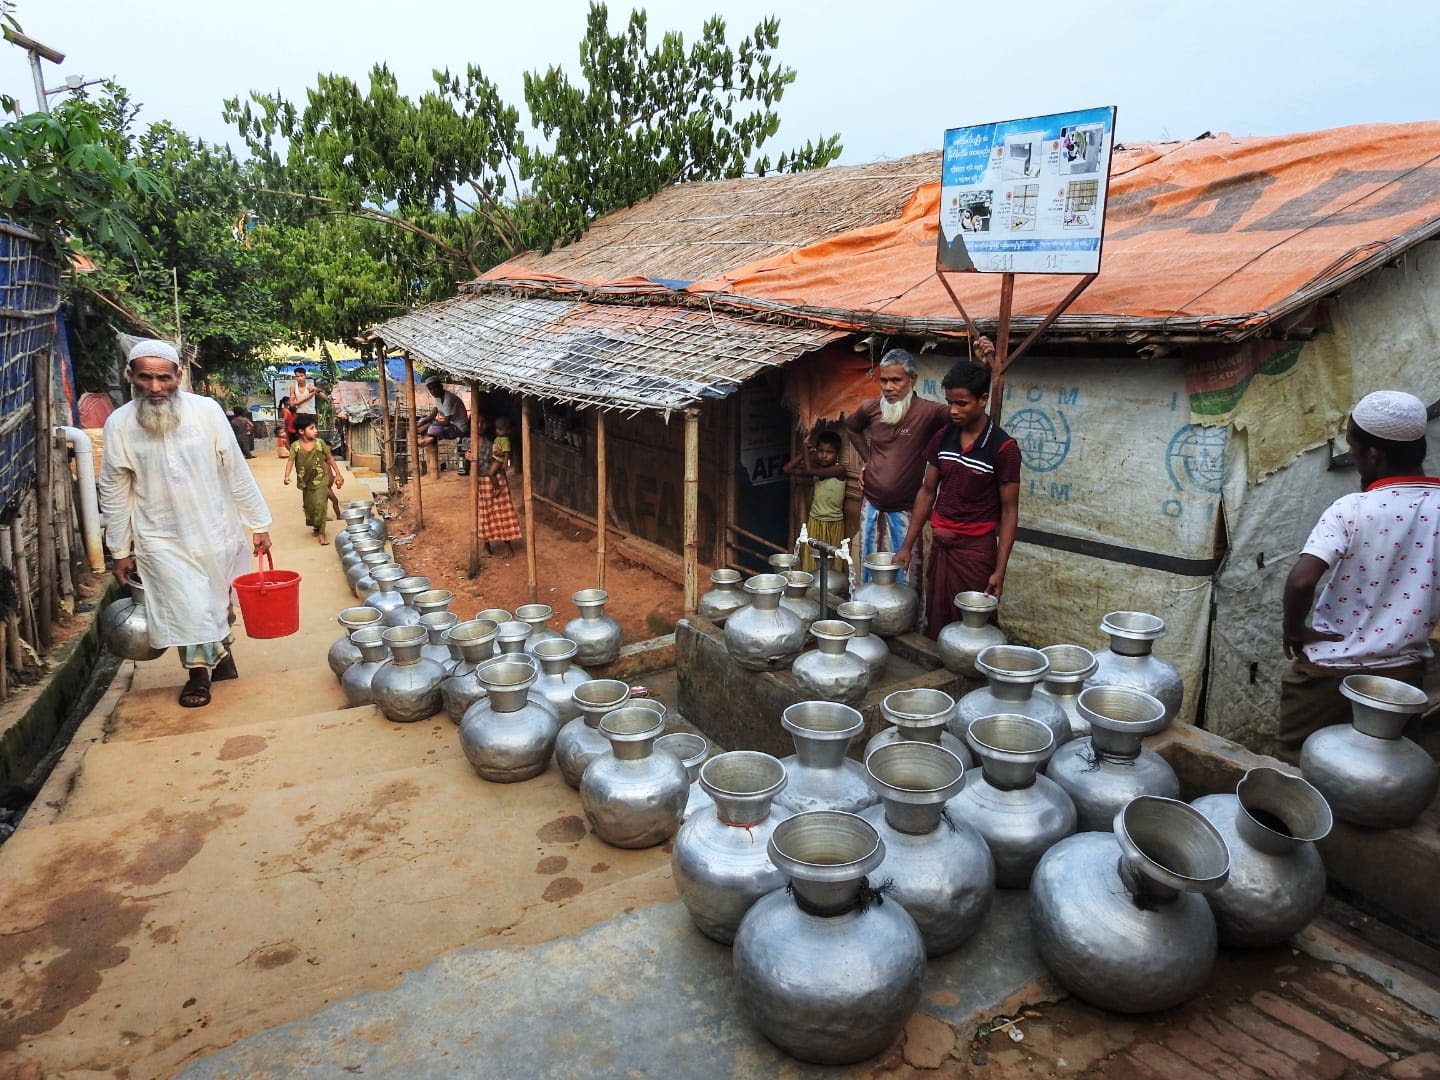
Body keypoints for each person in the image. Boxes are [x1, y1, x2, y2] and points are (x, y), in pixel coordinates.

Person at [99, 339, 273, 709]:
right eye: (145, 377)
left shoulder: (206, 411)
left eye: (164, 377)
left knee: (216, 603)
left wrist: (258, 523)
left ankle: (221, 653)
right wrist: (118, 549)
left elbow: (235, 469)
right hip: (158, 536)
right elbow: (115, 490)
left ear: (179, 375)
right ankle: (198, 674)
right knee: (185, 604)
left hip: (215, 529)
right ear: (130, 376)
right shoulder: (119, 424)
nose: (155, 387)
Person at [1279, 390, 1440, 763]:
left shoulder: (1352, 508)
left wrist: (1295, 629)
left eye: (1352, 448)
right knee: (1387, 775)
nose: (1351, 458)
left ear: (1373, 455)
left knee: (1294, 770)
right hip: (1401, 677)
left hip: (1328, 674)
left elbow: (1302, 580)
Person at [845, 343, 993, 584]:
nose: (888, 387)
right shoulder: (870, 408)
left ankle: (907, 620)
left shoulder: (928, 412)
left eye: (896, 380)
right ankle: (868, 616)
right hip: (871, 504)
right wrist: (868, 460)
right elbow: (852, 428)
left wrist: (981, 366)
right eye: (884, 381)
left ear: (912, 379)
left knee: (906, 573)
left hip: (905, 509)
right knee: (869, 566)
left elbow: (967, 406)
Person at [894, 358, 1020, 641]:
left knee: (974, 628)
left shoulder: (1003, 448)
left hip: (975, 553)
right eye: (950, 402)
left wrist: (1000, 570)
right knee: (937, 622)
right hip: (941, 548)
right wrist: (906, 545)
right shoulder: (943, 437)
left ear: (983, 400)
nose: (953, 410)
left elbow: (1010, 511)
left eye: (961, 403)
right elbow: (927, 491)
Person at [782, 429, 848, 573]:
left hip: (833, 523)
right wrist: (805, 452)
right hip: (815, 521)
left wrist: (806, 448)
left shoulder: (839, 470)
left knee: (832, 564)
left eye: (829, 452)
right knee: (811, 561)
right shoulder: (816, 469)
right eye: (820, 451)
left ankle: (830, 593)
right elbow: (787, 468)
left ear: (837, 454)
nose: (824, 455)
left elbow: (810, 471)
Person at [284, 415, 345, 544]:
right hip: (305, 481)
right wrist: (287, 476)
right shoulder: (295, 446)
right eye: (312, 428)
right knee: (310, 507)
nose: (316, 430)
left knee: (321, 505)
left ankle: (322, 533)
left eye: (315, 427)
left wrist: (338, 474)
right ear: (301, 431)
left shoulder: (320, 443)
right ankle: (316, 526)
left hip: (321, 479)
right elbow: (290, 461)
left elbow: (329, 458)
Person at [477, 415, 521, 557]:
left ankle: (508, 546)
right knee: (485, 513)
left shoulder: (493, 443)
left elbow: (503, 459)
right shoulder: (469, 442)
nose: (479, 425)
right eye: (477, 422)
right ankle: (486, 546)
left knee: (503, 512)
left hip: (497, 479)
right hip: (481, 481)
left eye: (482, 422)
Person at [416, 378, 470, 448]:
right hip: (450, 425)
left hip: (459, 428)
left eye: (435, 387)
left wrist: (426, 426)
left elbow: (446, 422)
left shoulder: (449, 398)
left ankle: (431, 438)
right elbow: (432, 416)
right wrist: (418, 425)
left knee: (432, 429)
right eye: (430, 389)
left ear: (441, 386)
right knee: (422, 420)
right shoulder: (438, 399)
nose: (433, 391)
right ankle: (430, 437)